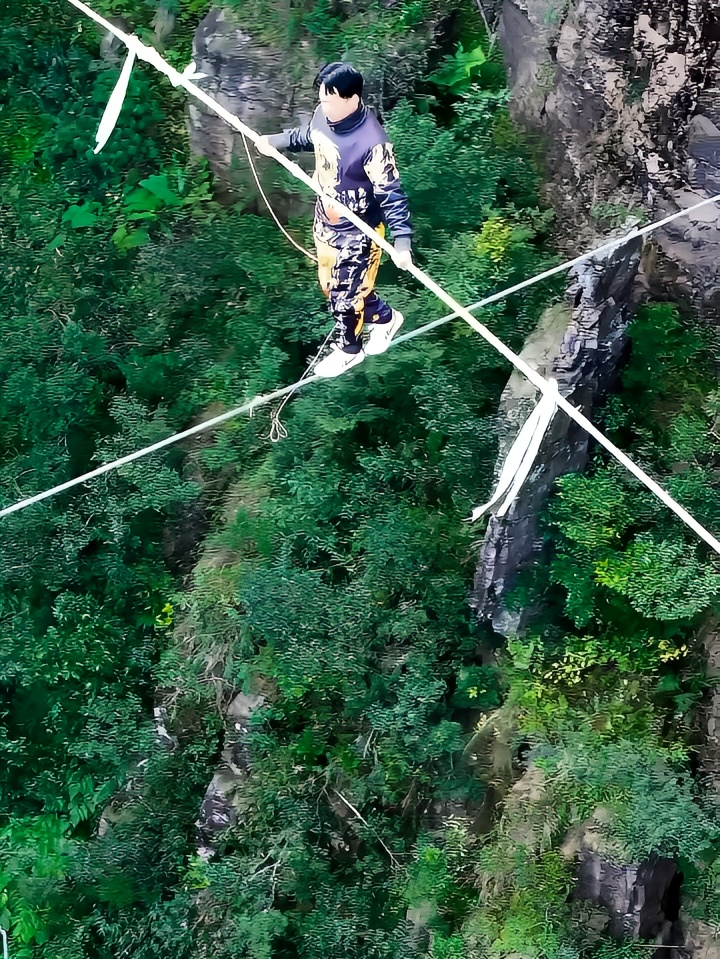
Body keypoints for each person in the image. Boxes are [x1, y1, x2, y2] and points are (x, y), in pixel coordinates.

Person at [256, 62, 414, 378]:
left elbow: (391, 192)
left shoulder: (373, 142)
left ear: (351, 99)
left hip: (360, 230)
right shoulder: (323, 114)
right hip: (326, 219)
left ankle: (349, 350)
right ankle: (384, 319)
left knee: (346, 296)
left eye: (329, 101)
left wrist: (402, 241)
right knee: (332, 287)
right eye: (321, 99)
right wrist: (277, 141)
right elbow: (310, 136)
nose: (323, 106)